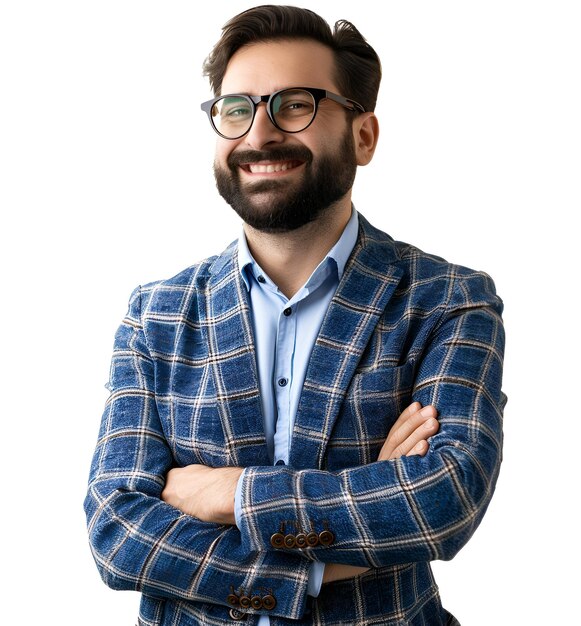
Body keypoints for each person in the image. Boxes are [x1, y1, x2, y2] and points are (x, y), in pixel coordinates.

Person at [84, 5, 506, 625]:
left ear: (363, 135)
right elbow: (118, 533)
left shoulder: (447, 299)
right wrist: (327, 556)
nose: (259, 134)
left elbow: (443, 498)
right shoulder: (157, 314)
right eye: (237, 109)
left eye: (295, 104)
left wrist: (228, 494)